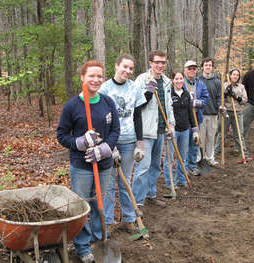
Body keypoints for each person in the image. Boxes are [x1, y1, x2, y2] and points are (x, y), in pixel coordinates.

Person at [57, 60, 120, 263]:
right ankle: (83, 247)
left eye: (100, 76)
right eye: (91, 75)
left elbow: (115, 131)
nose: (96, 79)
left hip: (104, 165)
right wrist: (81, 141)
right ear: (82, 77)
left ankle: (99, 239)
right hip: (82, 166)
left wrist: (105, 148)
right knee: (83, 206)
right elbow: (62, 135)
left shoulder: (108, 102)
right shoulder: (72, 106)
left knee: (102, 204)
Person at [100, 54, 146, 234]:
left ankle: (128, 220)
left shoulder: (134, 88)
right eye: (124, 67)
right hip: (111, 141)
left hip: (129, 141)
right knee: (110, 183)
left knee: (126, 181)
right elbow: (101, 120)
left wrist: (140, 143)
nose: (127, 71)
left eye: (131, 68)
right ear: (116, 66)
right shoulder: (105, 89)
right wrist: (110, 146)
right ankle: (109, 221)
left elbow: (137, 116)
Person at [132, 50, 175, 213]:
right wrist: (148, 93)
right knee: (143, 167)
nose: (160, 65)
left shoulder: (166, 81)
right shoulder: (142, 80)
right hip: (146, 131)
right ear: (150, 63)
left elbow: (168, 106)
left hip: (162, 130)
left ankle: (151, 194)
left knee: (156, 166)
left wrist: (171, 125)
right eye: (157, 62)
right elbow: (136, 105)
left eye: (163, 62)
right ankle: (137, 202)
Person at [163, 70, 197, 188]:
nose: (179, 81)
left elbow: (190, 112)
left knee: (183, 155)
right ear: (172, 80)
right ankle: (170, 183)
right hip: (172, 130)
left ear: (184, 79)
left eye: (181, 78)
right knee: (170, 157)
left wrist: (194, 129)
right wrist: (167, 127)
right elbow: (166, 112)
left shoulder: (186, 94)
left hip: (185, 130)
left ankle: (181, 180)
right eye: (176, 79)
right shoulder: (169, 94)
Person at [214, 68, 250, 158]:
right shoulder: (224, 85)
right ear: (230, 75)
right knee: (222, 133)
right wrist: (225, 93)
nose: (235, 76)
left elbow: (245, 100)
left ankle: (243, 152)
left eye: (237, 75)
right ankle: (216, 151)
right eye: (234, 74)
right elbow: (219, 99)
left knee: (239, 133)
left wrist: (236, 96)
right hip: (225, 112)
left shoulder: (241, 87)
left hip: (237, 112)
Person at [184, 60, 209, 176]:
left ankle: (192, 166)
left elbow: (206, 98)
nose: (192, 71)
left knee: (194, 143)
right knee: (183, 144)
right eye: (189, 68)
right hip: (183, 119)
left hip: (196, 119)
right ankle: (183, 167)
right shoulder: (181, 82)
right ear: (185, 70)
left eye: (194, 69)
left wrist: (197, 103)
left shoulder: (200, 84)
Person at [198, 57, 222, 167]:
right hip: (200, 114)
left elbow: (218, 97)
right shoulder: (198, 80)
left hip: (213, 113)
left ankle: (210, 157)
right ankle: (200, 158)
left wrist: (219, 107)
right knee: (201, 138)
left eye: (210, 65)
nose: (208, 67)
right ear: (202, 67)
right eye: (206, 65)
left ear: (212, 67)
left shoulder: (217, 81)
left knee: (211, 137)